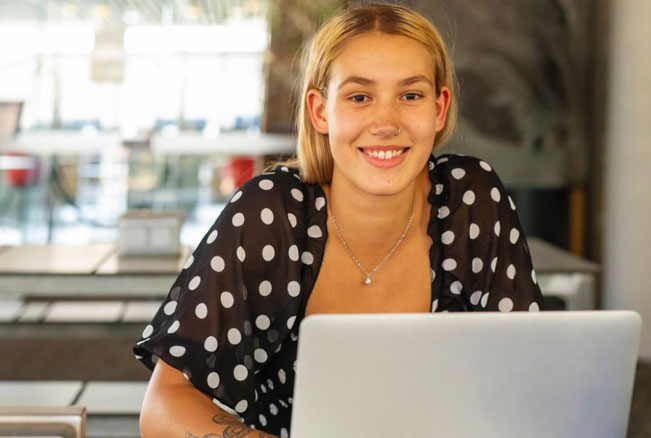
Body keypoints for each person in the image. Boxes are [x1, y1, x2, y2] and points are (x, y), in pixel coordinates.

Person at [135, 3, 544, 437]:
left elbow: (528, 382)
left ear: (439, 109)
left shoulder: (472, 199)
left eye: (410, 95)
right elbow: (165, 403)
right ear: (320, 111)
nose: (386, 123)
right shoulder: (272, 212)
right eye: (359, 97)